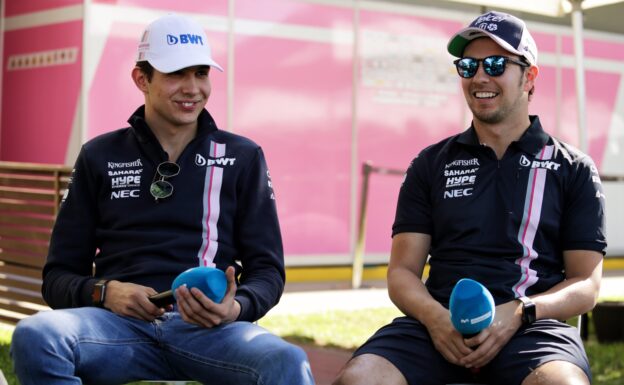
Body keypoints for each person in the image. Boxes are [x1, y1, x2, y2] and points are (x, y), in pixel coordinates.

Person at [11, 14, 314, 385]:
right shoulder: (98, 154)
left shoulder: (243, 156)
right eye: (175, 74)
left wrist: (235, 307)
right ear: (142, 79)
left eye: (201, 73)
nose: (192, 88)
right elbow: (57, 277)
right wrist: (105, 293)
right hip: (114, 329)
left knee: (287, 361)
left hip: (211, 334)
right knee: (36, 335)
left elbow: (268, 271)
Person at [333, 10, 606, 385]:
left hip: (530, 326)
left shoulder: (571, 168)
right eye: (468, 66)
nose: (480, 77)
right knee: (360, 379)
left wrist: (521, 312)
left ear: (529, 77)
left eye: (496, 64)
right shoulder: (431, 163)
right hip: (436, 324)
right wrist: (434, 317)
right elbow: (401, 272)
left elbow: (586, 285)